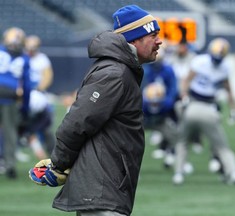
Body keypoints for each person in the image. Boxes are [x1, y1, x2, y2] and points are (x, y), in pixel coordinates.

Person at [29, 4, 162, 216]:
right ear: (134, 39)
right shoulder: (114, 74)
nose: (159, 41)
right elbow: (77, 122)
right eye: (153, 35)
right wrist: (58, 163)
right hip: (101, 192)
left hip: (105, 189)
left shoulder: (120, 70)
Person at [172, 38, 235, 186]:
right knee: (221, 146)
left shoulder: (200, 61)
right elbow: (229, 90)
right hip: (208, 109)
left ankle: (178, 173)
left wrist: (184, 97)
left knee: (183, 142)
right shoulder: (221, 66)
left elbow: (186, 81)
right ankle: (234, 173)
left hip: (192, 107)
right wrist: (233, 109)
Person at [0, 27, 31, 179]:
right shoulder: (24, 58)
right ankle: (10, 165)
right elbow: (26, 85)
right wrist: (25, 106)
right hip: (10, 95)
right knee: (10, 131)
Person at [18, 35, 55, 160]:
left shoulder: (42, 59)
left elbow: (48, 76)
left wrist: (39, 88)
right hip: (22, 94)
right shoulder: (21, 57)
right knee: (17, 125)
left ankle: (52, 152)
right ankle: (16, 149)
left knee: (43, 127)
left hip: (37, 94)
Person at [142, 48, 178, 168]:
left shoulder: (168, 70)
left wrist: (168, 101)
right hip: (146, 107)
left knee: (174, 131)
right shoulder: (147, 71)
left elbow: (173, 89)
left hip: (164, 106)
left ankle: (172, 155)